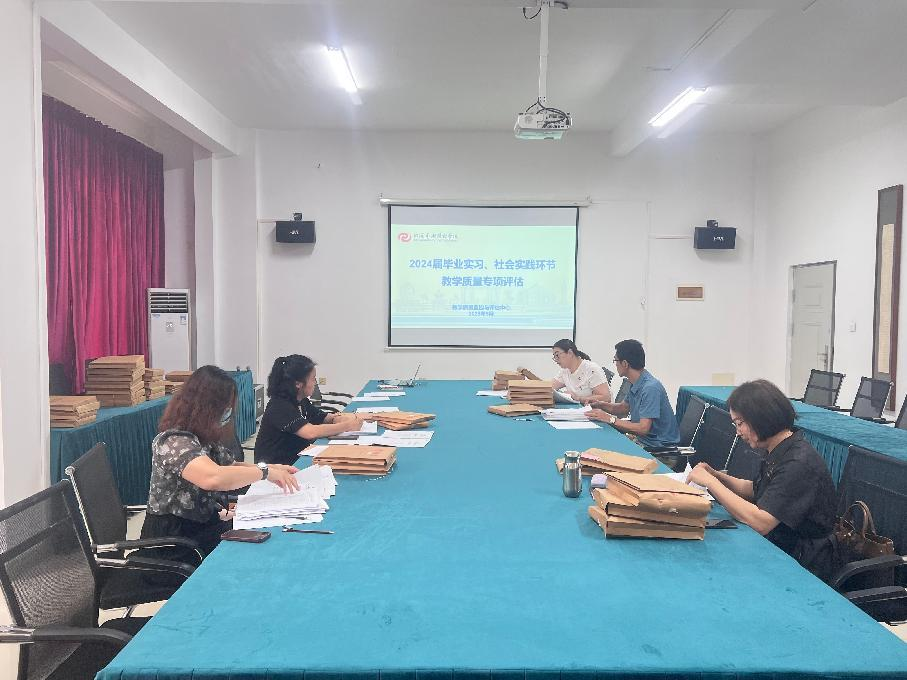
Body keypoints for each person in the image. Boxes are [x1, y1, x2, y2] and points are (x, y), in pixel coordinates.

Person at [141, 365, 301, 559]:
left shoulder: (202, 437)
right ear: (208, 407)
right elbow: (213, 478)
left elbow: (230, 466)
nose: (228, 412)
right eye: (226, 407)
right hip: (174, 541)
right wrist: (264, 472)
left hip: (201, 525)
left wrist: (272, 468)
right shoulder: (173, 441)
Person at [688, 379, 838, 581]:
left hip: (804, 563)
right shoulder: (781, 447)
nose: (737, 432)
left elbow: (761, 522)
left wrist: (711, 482)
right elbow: (755, 489)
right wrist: (716, 475)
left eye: (740, 423)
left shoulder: (798, 462)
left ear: (761, 418)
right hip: (784, 546)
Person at [255, 355, 366, 466]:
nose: (315, 383)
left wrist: (339, 418)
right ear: (298, 384)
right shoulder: (279, 406)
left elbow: (323, 417)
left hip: (295, 458)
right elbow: (311, 432)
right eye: (313, 379)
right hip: (277, 467)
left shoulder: (301, 400)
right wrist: (347, 426)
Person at [586, 339, 680, 448]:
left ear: (625, 364)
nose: (615, 364)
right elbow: (623, 409)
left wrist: (610, 419)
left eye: (616, 360)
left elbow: (643, 428)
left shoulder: (650, 388)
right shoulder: (637, 382)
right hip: (644, 441)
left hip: (658, 448)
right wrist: (600, 405)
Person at [548, 338, 612, 403]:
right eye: (554, 356)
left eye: (557, 355)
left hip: (594, 408)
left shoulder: (591, 369)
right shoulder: (565, 371)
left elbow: (606, 397)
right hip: (580, 408)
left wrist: (578, 398)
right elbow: (549, 387)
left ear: (570, 353)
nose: (555, 360)